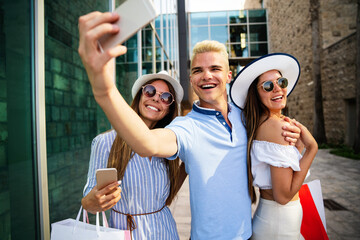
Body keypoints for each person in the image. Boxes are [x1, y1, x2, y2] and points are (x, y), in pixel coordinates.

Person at [78, 11, 301, 239]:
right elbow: (146, 144)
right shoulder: (186, 126)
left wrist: (295, 132)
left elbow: (272, 113)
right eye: (197, 71)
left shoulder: (245, 116)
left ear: (228, 76)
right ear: (191, 79)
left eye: (214, 69)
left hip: (248, 233)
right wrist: (103, 89)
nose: (206, 76)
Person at [81, 71, 185, 240]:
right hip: (126, 233)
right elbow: (89, 202)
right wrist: (92, 202)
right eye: (150, 91)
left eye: (166, 97)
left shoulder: (169, 145)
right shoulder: (105, 142)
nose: (156, 98)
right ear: (139, 97)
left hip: (167, 232)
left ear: (169, 110)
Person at [230, 53, 318, 239]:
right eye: (268, 86)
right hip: (279, 225)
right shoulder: (275, 126)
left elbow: (280, 172)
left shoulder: (265, 123)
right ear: (256, 94)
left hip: (275, 221)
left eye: (282, 82)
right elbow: (283, 196)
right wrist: (312, 149)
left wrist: (298, 149)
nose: (278, 89)